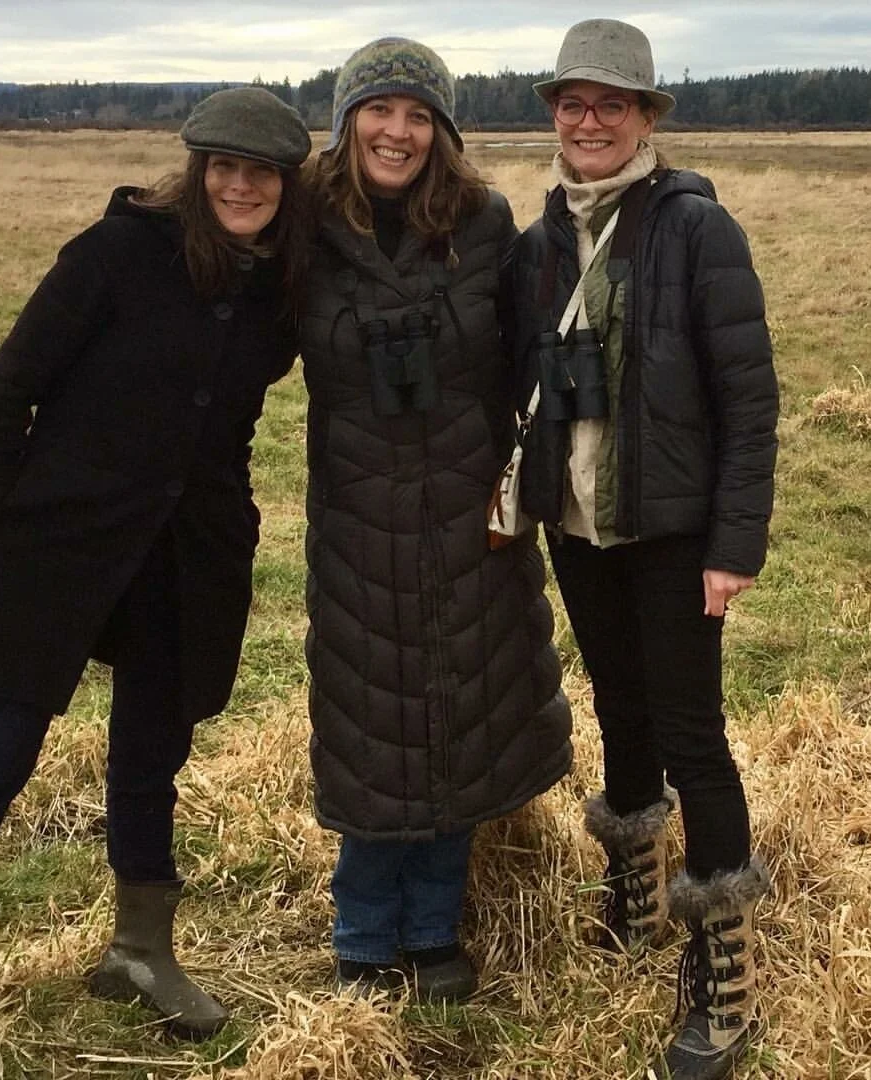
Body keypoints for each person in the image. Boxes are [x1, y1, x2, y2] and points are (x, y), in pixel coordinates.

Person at [0, 86, 311, 1078]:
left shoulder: (281, 285)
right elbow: (13, 381)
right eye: (225, 168)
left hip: (185, 557)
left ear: (285, 185)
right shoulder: (117, 254)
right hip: (60, 546)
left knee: (150, 758)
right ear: (198, 171)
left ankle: (139, 952)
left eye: (262, 173)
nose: (241, 186)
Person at [511, 19, 778, 1079]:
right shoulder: (540, 242)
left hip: (674, 535)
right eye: (573, 103)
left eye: (611, 104)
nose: (590, 121)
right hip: (580, 531)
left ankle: (724, 968)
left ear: (644, 118)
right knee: (620, 712)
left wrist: (734, 543)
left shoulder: (697, 229)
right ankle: (633, 895)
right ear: (554, 115)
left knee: (692, 735)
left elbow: (749, 401)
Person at [299, 36, 573, 1003]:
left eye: (419, 115)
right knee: (371, 718)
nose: (398, 132)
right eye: (379, 110)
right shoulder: (303, 229)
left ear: (442, 132)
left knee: (464, 705)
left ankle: (433, 927)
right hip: (358, 521)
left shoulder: (483, 223)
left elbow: (539, 351)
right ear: (347, 123)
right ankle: (363, 932)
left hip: (470, 514)